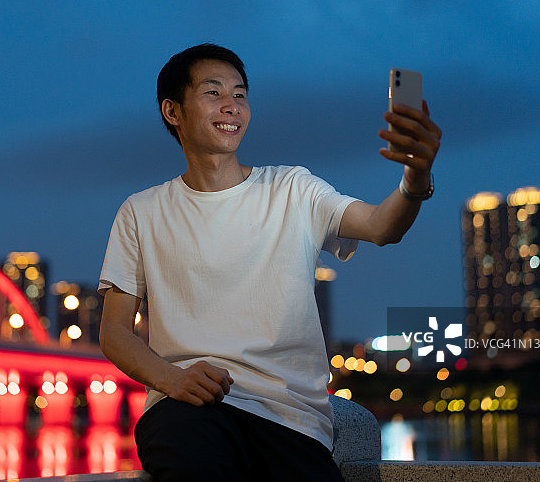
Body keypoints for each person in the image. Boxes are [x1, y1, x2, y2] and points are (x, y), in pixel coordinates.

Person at [98, 43, 441, 481]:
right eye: (213, 92)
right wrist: (173, 380)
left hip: (289, 416)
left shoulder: (292, 189)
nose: (232, 106)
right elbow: (114, 332)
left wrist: (416, 179)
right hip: (189, 407)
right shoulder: (141, 211)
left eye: (240, 95)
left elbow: (380, 226)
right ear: (173, 111)